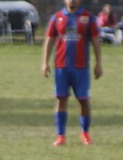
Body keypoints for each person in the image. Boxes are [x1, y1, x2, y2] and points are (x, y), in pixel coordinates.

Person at [42, 0, 102, 146]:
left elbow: (95, 41)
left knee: (83, 99)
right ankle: (61, 136)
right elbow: (49, 39)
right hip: (61, 67)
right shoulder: (56, 18)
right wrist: (45, 62)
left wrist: (98, 63)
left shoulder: (88, 18)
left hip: (81, 67)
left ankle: (85, 134)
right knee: (61, 99)